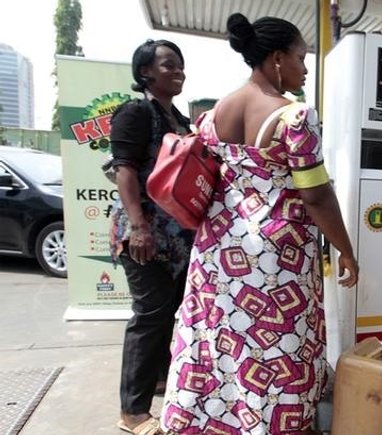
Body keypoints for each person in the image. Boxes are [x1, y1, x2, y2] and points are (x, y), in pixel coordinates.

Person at [160, 14, 358, 435]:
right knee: (277, 345)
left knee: (220, 340)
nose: (305, 69)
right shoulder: (294, 118)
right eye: (301, 58)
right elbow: (317, 195)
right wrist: (346, 249)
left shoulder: (212, 116)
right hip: (274, 260)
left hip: (218, 254)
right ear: (277, 59)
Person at [109, 39, 194, 434]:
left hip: (176, 239)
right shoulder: (136, 112)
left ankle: (159, 380)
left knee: (168, 315)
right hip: (143, 234)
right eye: (168, 65)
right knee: (149, 317)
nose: (178, 71)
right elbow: (124, 169)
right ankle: (132, 413)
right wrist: (139, 226)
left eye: (180, 65)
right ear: (145, 72)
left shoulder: (177, 119)